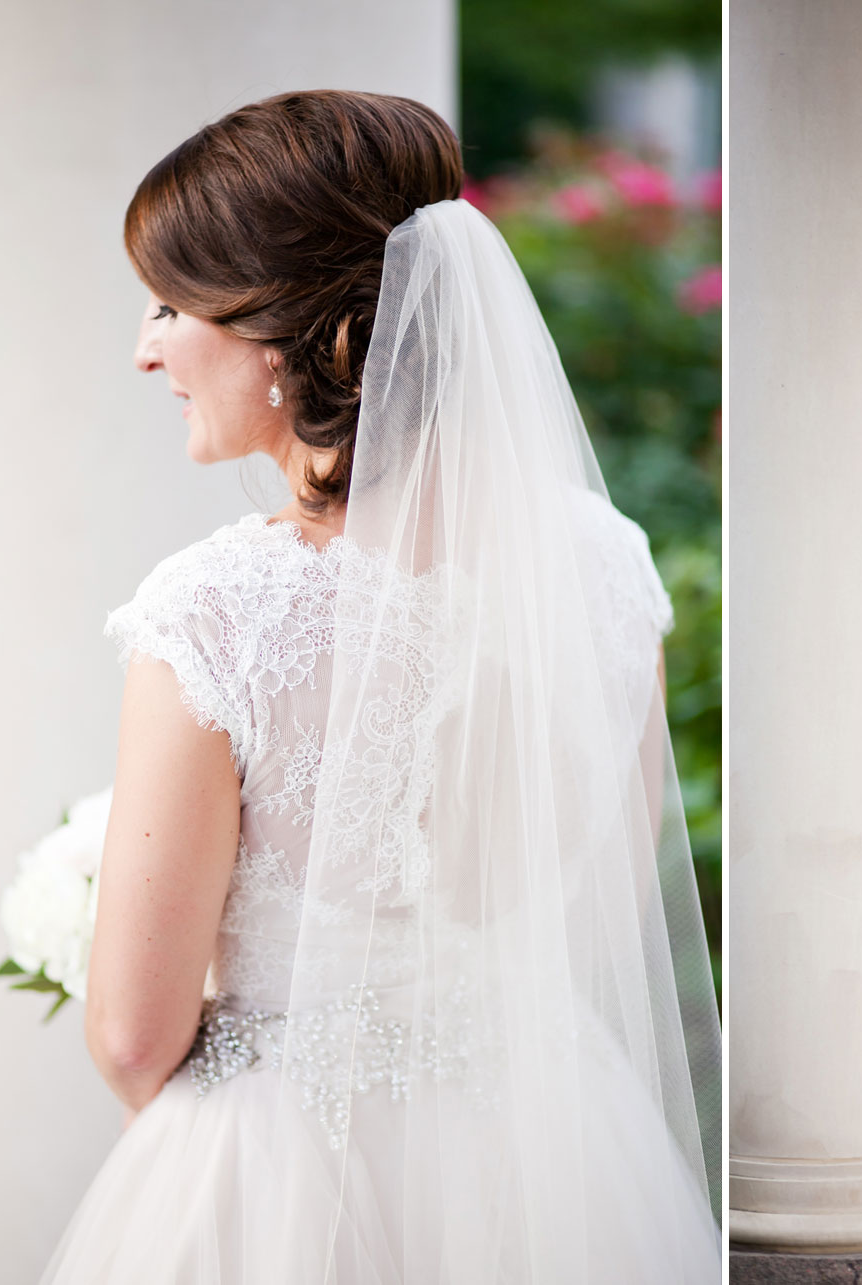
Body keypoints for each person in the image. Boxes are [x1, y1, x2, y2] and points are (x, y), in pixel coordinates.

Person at [41, 90, 721, 1282]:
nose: (145, 347)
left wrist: (218, 1183)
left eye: (169, 304)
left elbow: (134, 1032)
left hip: (282, 1168)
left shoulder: (216, 609)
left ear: (301, 335)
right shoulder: (606, 567)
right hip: (551, 1149)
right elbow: (599, 890)